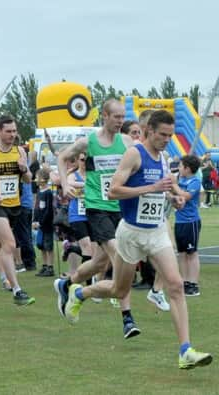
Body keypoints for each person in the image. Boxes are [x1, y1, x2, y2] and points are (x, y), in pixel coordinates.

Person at [62, 110, 212, 370]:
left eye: (170, 135)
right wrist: (151, 189)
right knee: (119, 290)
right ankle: (80, 292)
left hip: (155, 231)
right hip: (130, 233)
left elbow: (161, 187)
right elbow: (114, 191)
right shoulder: (134, 154)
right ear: (149, 131)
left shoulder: (163, 157)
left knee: (175, 285)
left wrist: (172, 197)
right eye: (162, 135)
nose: (167, 139)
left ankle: (185, 350)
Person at [55, 99, 140, 338]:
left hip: (119, 207)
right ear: (104, 115)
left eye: (123, 117)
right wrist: (64, 184)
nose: (120, 121)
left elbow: (137, 167)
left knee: (99, 264)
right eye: (116, 117)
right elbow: (62, 157)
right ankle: (127, 319)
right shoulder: (88, 142)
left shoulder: (126, 142)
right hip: (96, 208)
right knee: (121, 257)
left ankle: (67, 284)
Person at [0, 114, 35, 305]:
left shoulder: (20, 152)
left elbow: (29, 180)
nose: (12, 134)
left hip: (15, 205)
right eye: (8, 131)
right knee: (10, 245)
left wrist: (24, 169)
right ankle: (16, 289)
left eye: (14, 131)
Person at [174, 155, 202, 296]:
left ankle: (193, 284)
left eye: (180, 166)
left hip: (191, 221)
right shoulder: (180, 179)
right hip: (179, 221)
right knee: (182, 253)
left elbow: (185, 196)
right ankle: (185, 282)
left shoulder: (195, 181)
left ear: (187, 168)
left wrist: (174, 186)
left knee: (192, 253)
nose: (178, 168)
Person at [33, 168, 54, 277]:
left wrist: (42, 222)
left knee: (48, 246)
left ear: (43, 179)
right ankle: (45, 265)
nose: (36, 179)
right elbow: (37, 207)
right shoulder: (39, 192)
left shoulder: (48, 193)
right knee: (41, 245)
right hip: (40, 223)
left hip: (47, 224)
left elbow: (49, 210)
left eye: (38, 177)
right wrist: (35, 220)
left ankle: (50, 267)